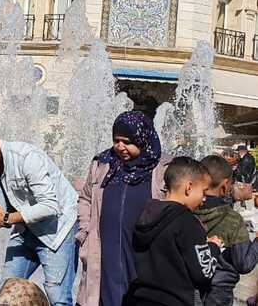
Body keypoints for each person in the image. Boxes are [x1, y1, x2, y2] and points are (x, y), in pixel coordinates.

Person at [0, 125, 78, 306]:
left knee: (58, 299)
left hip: (57, 230)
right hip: (26, 229)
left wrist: (7, 219)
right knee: (3, 293)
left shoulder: (26, 158)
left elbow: (50, 205)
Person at [76, 111, 168, 306]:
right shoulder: (102, 164)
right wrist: (85, 230)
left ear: (142, 139)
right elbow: (85, 198)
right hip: (105, 248)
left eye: (127, 142)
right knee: (105, 295)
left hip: (141, 250)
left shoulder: (161, 169)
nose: (120, 147)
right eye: (116, 140)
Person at [123, 157, 221, 306]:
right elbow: (203, 274)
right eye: (203, 192)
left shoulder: (145, 213)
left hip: (138, 298)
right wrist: (213, 248)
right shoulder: (187, 222)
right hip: (173, 300)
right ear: (189, 187)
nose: (204, 199)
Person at [194, 155, 258, 306]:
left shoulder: (188, 209)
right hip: (219, 291)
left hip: (192, 287)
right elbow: (244, 264)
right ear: (224, 186)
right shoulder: (232, 219)